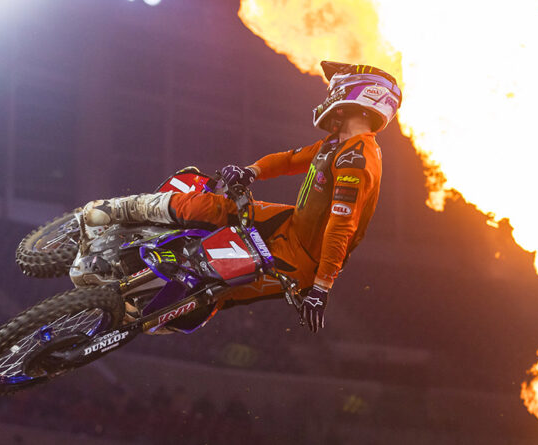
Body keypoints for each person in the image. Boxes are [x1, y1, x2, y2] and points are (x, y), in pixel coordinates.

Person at [83, 61, 402, 332]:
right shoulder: (337, 143)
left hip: (302, 260)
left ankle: (145, 315)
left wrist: (321, 286)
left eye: (337, 85)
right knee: (213, 205)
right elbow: (289, 160)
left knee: (216, 282)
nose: (330, 91)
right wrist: (252, 171)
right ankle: (120, 220)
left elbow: (341, 226)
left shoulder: (357, 158)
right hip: (289, 223)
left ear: (363, 91)